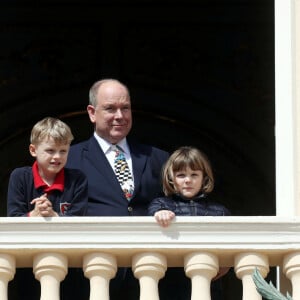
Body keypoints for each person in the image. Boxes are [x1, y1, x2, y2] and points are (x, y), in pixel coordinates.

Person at [66, 78, 169, 299]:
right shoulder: (69, 159)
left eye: (125, 108)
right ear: (92, 113)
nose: (120, 116)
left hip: (149, 274)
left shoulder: (158, 158)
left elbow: (186, 202)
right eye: (110, 108)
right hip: (91, 275)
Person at [7, 117, 88, 300]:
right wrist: (33, 215)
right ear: (33, 150)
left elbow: (80, 221)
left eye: (63, 151)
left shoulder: (77, 179)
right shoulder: (20, 177)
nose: (57, 157)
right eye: (50, 150)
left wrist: (54, 216)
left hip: (70, 267)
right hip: (29, 266)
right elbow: (13, 219)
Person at [148, 146, 231, 300]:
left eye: (194, 174)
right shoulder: (162, 204)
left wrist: (227, 262)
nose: (188, 180)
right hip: (172, 284)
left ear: (204, 178)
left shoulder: (219, 211)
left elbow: (232, 242)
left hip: (209, 283)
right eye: (181, 175)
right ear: (171, 178)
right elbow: (152, 213)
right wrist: (160, 213)